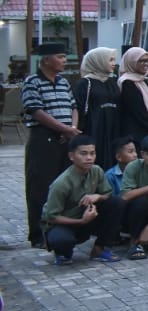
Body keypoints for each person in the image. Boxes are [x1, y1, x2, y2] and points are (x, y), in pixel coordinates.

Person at [22, 42, 80, 248]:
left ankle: (61, 229)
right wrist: (63, 129)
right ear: (46, 59)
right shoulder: (32, 82)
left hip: (66, 139)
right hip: (43, 138)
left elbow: (74, 107)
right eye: (60, 57)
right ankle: (38, 234)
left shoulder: (64, 82)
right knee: (40, 186)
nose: (64, 61)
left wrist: (72, 128)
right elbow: (36, 111)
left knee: (64, 185)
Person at [41, 135, 124, 265]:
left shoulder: (96, 171)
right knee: (61, 240)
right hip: (65, 224)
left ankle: (99, 249)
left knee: (116, 202)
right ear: (71, 156)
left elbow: (107, 193)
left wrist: (97, 196)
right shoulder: (62, 183)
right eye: (83, 154)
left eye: (92, 153)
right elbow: (51, 217)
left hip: (87, 218)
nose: (89, 158)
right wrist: (81, 221)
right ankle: (62, 252)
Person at [75, 47, 120, 170]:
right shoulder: (85, 83)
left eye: (114, 60)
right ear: (98, 61)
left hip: (113, 127)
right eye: (110, 60)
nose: (113, 63)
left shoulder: (112, 81)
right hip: (94, 127)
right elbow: (79, 108)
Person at [116, 47, 148, 147]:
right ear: (132, 62)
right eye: (141, 61)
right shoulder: (127, 82)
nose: (146, 64)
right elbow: (137, 110)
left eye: (147, 61)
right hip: (136, 133)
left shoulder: (146, 79)